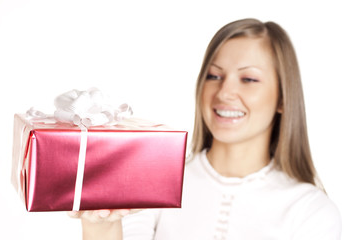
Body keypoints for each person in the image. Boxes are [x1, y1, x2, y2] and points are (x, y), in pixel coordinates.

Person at [69, 18, 342, 239]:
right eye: (214, 75)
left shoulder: (311, 211)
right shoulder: (156, 186)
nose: (225, 91)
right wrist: (98, 225)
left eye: (248, 79)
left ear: (283, 98)